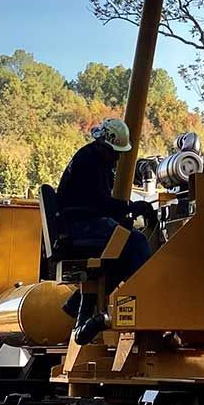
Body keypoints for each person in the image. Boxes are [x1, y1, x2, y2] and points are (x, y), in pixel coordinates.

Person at [56, 119, 153, 341]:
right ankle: (146, 299)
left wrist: (123, 217)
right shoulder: (91, 163)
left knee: (123, 249)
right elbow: (100, 204)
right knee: (136, 243)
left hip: (77, 224)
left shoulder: (89, 157)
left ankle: (79, 303)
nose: (118, 158)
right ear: (105, 146)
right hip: (81, 226)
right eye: (116, 153)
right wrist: (131, 208)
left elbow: (97, 204)